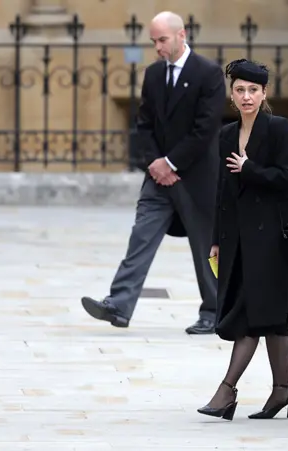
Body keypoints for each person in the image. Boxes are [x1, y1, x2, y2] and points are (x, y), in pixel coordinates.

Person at [80, 11, 226, 334]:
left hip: (197, 178)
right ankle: (118, 304)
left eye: (162, 40)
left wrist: (170, 163)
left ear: (181, 35)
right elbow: (144, 124)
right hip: (158, 179)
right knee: (141, 237)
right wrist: (155, 163)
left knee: (206, 247)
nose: (158, 47)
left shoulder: (209, 74)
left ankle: (214, 310)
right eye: (154, 41)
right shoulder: (153, 74)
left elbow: (206, 129)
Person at [196, 59, 288, 421]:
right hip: (238, 240)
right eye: (240, 90)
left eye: (253, 90)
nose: (246, 97)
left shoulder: (277, 128)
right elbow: (222, 192)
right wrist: (216, 239)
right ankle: (282, 392)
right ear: (232, 94)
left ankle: (226, 391)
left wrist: (251, 169)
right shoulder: (227, 134)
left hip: (274, 240)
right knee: (272, 318)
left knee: (252, 314)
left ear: (264, 94)